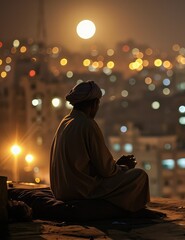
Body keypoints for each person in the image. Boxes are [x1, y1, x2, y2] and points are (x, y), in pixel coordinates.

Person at [50, 81, 150, 212]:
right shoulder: (87, 124)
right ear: (94, 104)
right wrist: (124, 167)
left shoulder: (65, 122)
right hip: (81, 190)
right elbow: (106, 170)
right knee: (139, 176)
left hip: (61, 190)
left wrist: (116, 166)